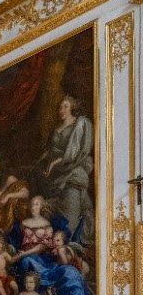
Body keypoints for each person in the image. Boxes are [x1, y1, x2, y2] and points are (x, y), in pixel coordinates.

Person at [11, 195, 93, 295]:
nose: (33, 207)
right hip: (30, 258)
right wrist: (18, 254)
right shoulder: (22, 223)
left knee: (70, 272)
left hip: (45, 260)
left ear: (42, 207)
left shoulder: (48, 225)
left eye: (37, 204)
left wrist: (24, 254)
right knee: (26, 261)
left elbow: (43, 247)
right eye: (32, 204)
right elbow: (15, 243)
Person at [32, 95, 94, 239]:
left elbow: (74, 152)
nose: (62, 110)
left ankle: (70, 242)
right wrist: (40, 162)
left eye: (65, 106)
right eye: (60, 107)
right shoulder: (56, 129)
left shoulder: (80, 124)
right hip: (53, 177)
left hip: (71, 172)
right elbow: (50, 150)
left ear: (72, 107)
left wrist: (55, 162)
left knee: (70, 219)